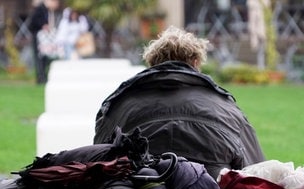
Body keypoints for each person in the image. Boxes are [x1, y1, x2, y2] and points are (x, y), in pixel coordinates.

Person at [94, 26, 265, 181]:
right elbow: (258, 173)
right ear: (196, 63)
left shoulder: (120, 106)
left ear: (152, 64)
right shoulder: (227, 109)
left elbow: (95, 164)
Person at [28, 0, 61, 84]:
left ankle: (44, 77)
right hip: (39, 38)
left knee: (45, 58)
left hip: (46, 40)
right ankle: (41, 78)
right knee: (39, 58)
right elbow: (32, 22)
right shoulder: (40, 9)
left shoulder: (47, 11)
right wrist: (43, 25)